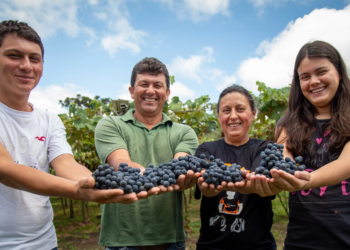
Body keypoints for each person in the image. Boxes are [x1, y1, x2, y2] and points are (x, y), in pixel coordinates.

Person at [0, 20, 137, 250]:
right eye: (14, 55)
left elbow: (65, 164)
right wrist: (77, 191)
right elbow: (6, 170)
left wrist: (94, 183)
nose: (26, 66)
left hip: (44, 243)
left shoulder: (49, 120)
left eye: (34, 58)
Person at [248, 41, 350, 249]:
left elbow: (346, 162)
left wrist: (307, 179)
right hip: (301, 239)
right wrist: (278, 176)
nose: (314, 81)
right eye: (305, 77)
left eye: (321, 72)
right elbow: (283, 155)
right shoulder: (287, 124)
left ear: (339, 72)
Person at [94, 57, 200, 250]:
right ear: (132, 91)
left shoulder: (185, 132)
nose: (150, 91)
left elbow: (180, 165)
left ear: (167, 93)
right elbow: (120, 161)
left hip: (170, 242)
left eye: (157, 85)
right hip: (122, 242)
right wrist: (150, 175)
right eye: (144, 84)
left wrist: (181, 175)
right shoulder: (110, 125)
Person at [195, 85, 276, 250]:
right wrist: (206, 188)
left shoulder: (265, 148)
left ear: (253, 114)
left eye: (240, 109)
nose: (233, 116)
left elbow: (256, 181)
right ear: (219, 116)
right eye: (226, 110)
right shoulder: (206, 149)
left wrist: (222, 180)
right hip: (211, 247)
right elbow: (204, 185)